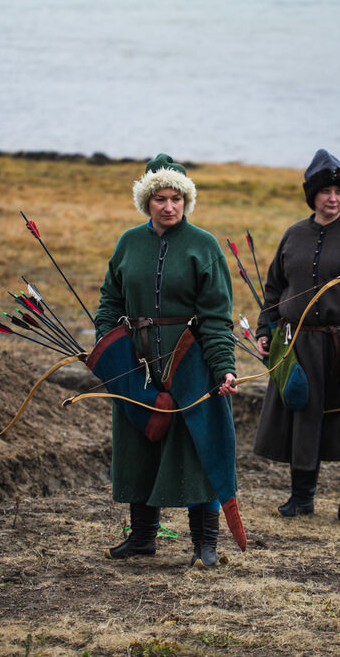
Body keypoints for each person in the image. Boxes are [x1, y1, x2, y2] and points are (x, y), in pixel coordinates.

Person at [94, 153, 238, 568]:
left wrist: (224, 365)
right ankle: (142, 538)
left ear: (186, 201)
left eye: (176, 198)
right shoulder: (128, 242)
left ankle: (205, 545)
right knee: (140, 442)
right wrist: (106, 346)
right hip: (136, 361)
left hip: (190, 361)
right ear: (147, 201)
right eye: (160, 198)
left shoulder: (204, 246)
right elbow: (110, 300)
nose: (169, 206)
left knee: (197, 445)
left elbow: (216, 317)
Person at [252, 148, 340, 528]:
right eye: (326, 191)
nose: (333, 198)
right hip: (300, 345)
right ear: (312, 195)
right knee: (304, 417)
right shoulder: (293, 236)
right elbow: (274, 289)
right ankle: (301, 498)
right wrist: (265, 331)